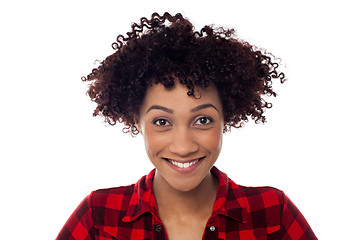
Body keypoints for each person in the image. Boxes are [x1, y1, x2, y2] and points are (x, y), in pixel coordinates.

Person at [56, 12, 317, 240]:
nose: (183, 147)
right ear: (138, 122)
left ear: (226, 118)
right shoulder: (99, 217)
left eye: (203, 120)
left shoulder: (273, 215)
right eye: (162, 122)